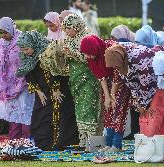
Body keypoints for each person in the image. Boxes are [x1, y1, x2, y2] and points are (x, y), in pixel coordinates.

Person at [17, 30, 79, 150]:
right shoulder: (27, 56)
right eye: (23, 50)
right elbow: (28, 75)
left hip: (58, 89)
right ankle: (43, 144)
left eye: (26, 49)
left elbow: (55, 71)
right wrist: (38, 91)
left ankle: (59, 143)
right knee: (40, 116)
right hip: (42, 91)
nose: (25, 52)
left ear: (33, 44)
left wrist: (55, 89)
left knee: (59, 115)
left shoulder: (48, 51)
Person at [104, 43, 164, 138]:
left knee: (154, 113)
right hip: (144, 85)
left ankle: (154, 140)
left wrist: (143, 104)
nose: (115, 68)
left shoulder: (139, 58)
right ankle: (146, 140)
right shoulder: (118, 55)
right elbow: (130, 82)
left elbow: (146, 83)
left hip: (156, 83)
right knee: (144, 117)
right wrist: (138, 101)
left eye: (116, 66)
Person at [80, 35, 131, 152]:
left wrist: (112, 95)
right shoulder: (91, 56)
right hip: (108, 82)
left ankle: (116, 145)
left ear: (95, 49)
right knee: (108, 110)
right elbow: (101, 76)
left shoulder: (110, 50)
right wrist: (107, 97)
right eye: (85, 54)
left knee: (118, 110)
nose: (87, 57)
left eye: (89, 53)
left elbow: (117, 75)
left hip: (121, 81)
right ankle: (108, 143)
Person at [61, 14, 100, 147]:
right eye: (65, 29)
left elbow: (90, 58)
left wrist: (72, 53)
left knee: (89, 109)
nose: (66, 32)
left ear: (76, 26)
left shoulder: (87, 37)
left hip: (88, 79)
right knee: (79, 109)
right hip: (75, 79)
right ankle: (83, 141)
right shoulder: (68, 39)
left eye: (68, 28)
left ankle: (93, 143)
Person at [0, 17, 34, 140]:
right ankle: (14, 140)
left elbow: (28, 61)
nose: (3, 35)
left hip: (23, 82)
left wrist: (21, 80)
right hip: (8, 84)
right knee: (12, 110)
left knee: (25, 109)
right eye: (1, 33)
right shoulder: (0, 43)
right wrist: (1, 82)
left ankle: (27, 140)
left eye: (5, 32)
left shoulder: (22, 40)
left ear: (11, 29)